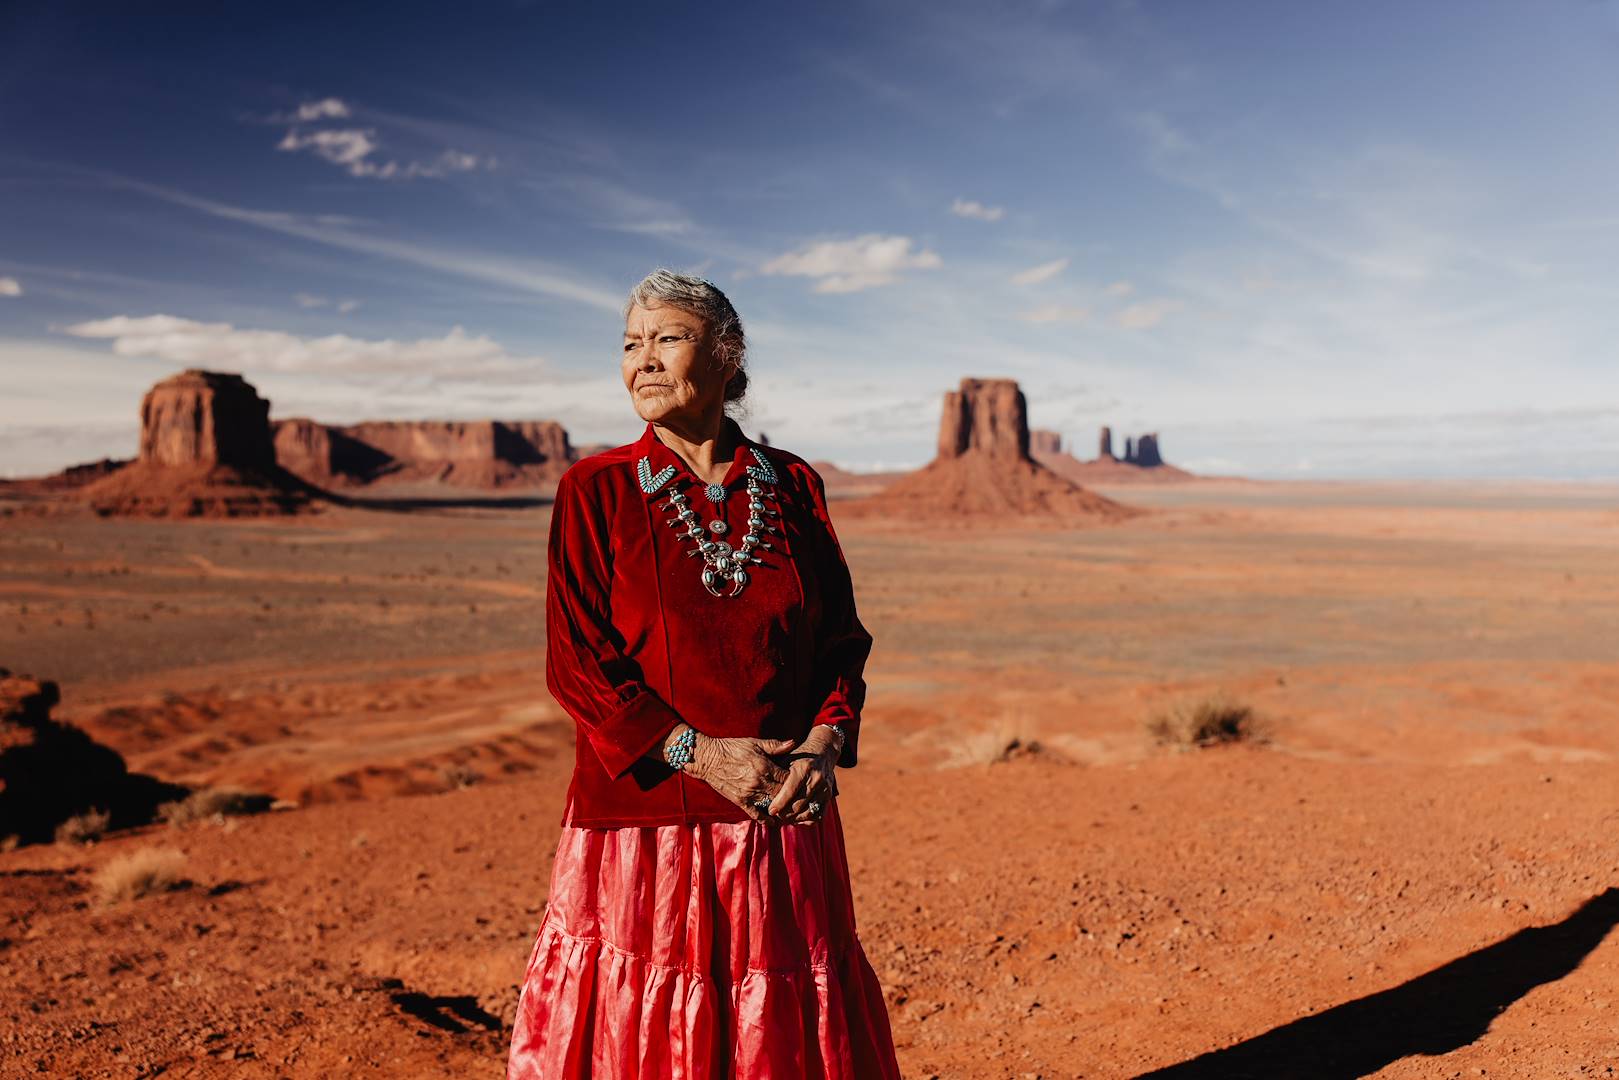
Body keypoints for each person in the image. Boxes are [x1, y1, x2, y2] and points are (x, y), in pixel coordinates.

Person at [507, 269, 902, 1078]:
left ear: (727, 357)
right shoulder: (596, 488)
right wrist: (700, 753)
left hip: (778, 808)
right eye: (628, 344)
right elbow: (576, 662)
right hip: (644, 824)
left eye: (667, 338)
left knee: (774, 1022)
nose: (642, 360)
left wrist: (824, 742)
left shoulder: (792, 485)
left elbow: (838, 639)